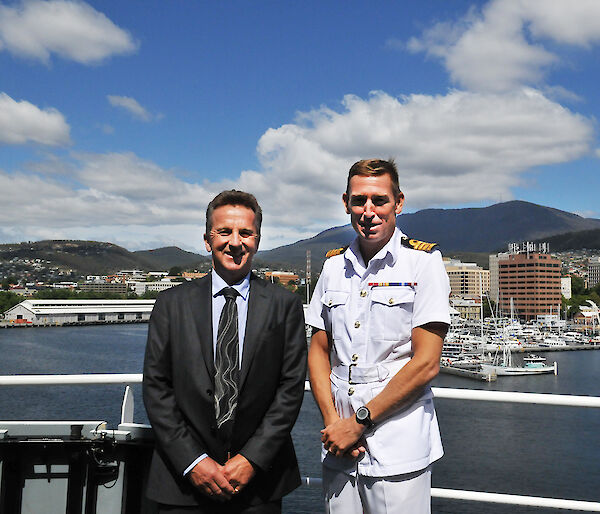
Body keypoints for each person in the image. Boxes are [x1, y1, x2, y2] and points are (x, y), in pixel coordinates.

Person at [143, 190, 307, 514]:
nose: (235, 242)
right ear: (207, 240)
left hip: (258, 485)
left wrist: (252, 459)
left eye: (245, 233)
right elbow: (157, 388)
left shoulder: (284, 306)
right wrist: (194, 461)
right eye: (224, 232)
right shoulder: (170, 305)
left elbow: (289, 390)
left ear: (257, 239)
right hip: (182, 484)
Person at [305, 159, 450, 513]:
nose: (368, 211)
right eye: (359, 201)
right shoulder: (332, 266)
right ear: (346, 203)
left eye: (379, 200)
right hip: (339, 444)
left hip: (396, 446)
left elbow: (427, 363)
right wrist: (333, 424)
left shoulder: (423, 263)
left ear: (398, 202)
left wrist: (359, 423)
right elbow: (319, 351)